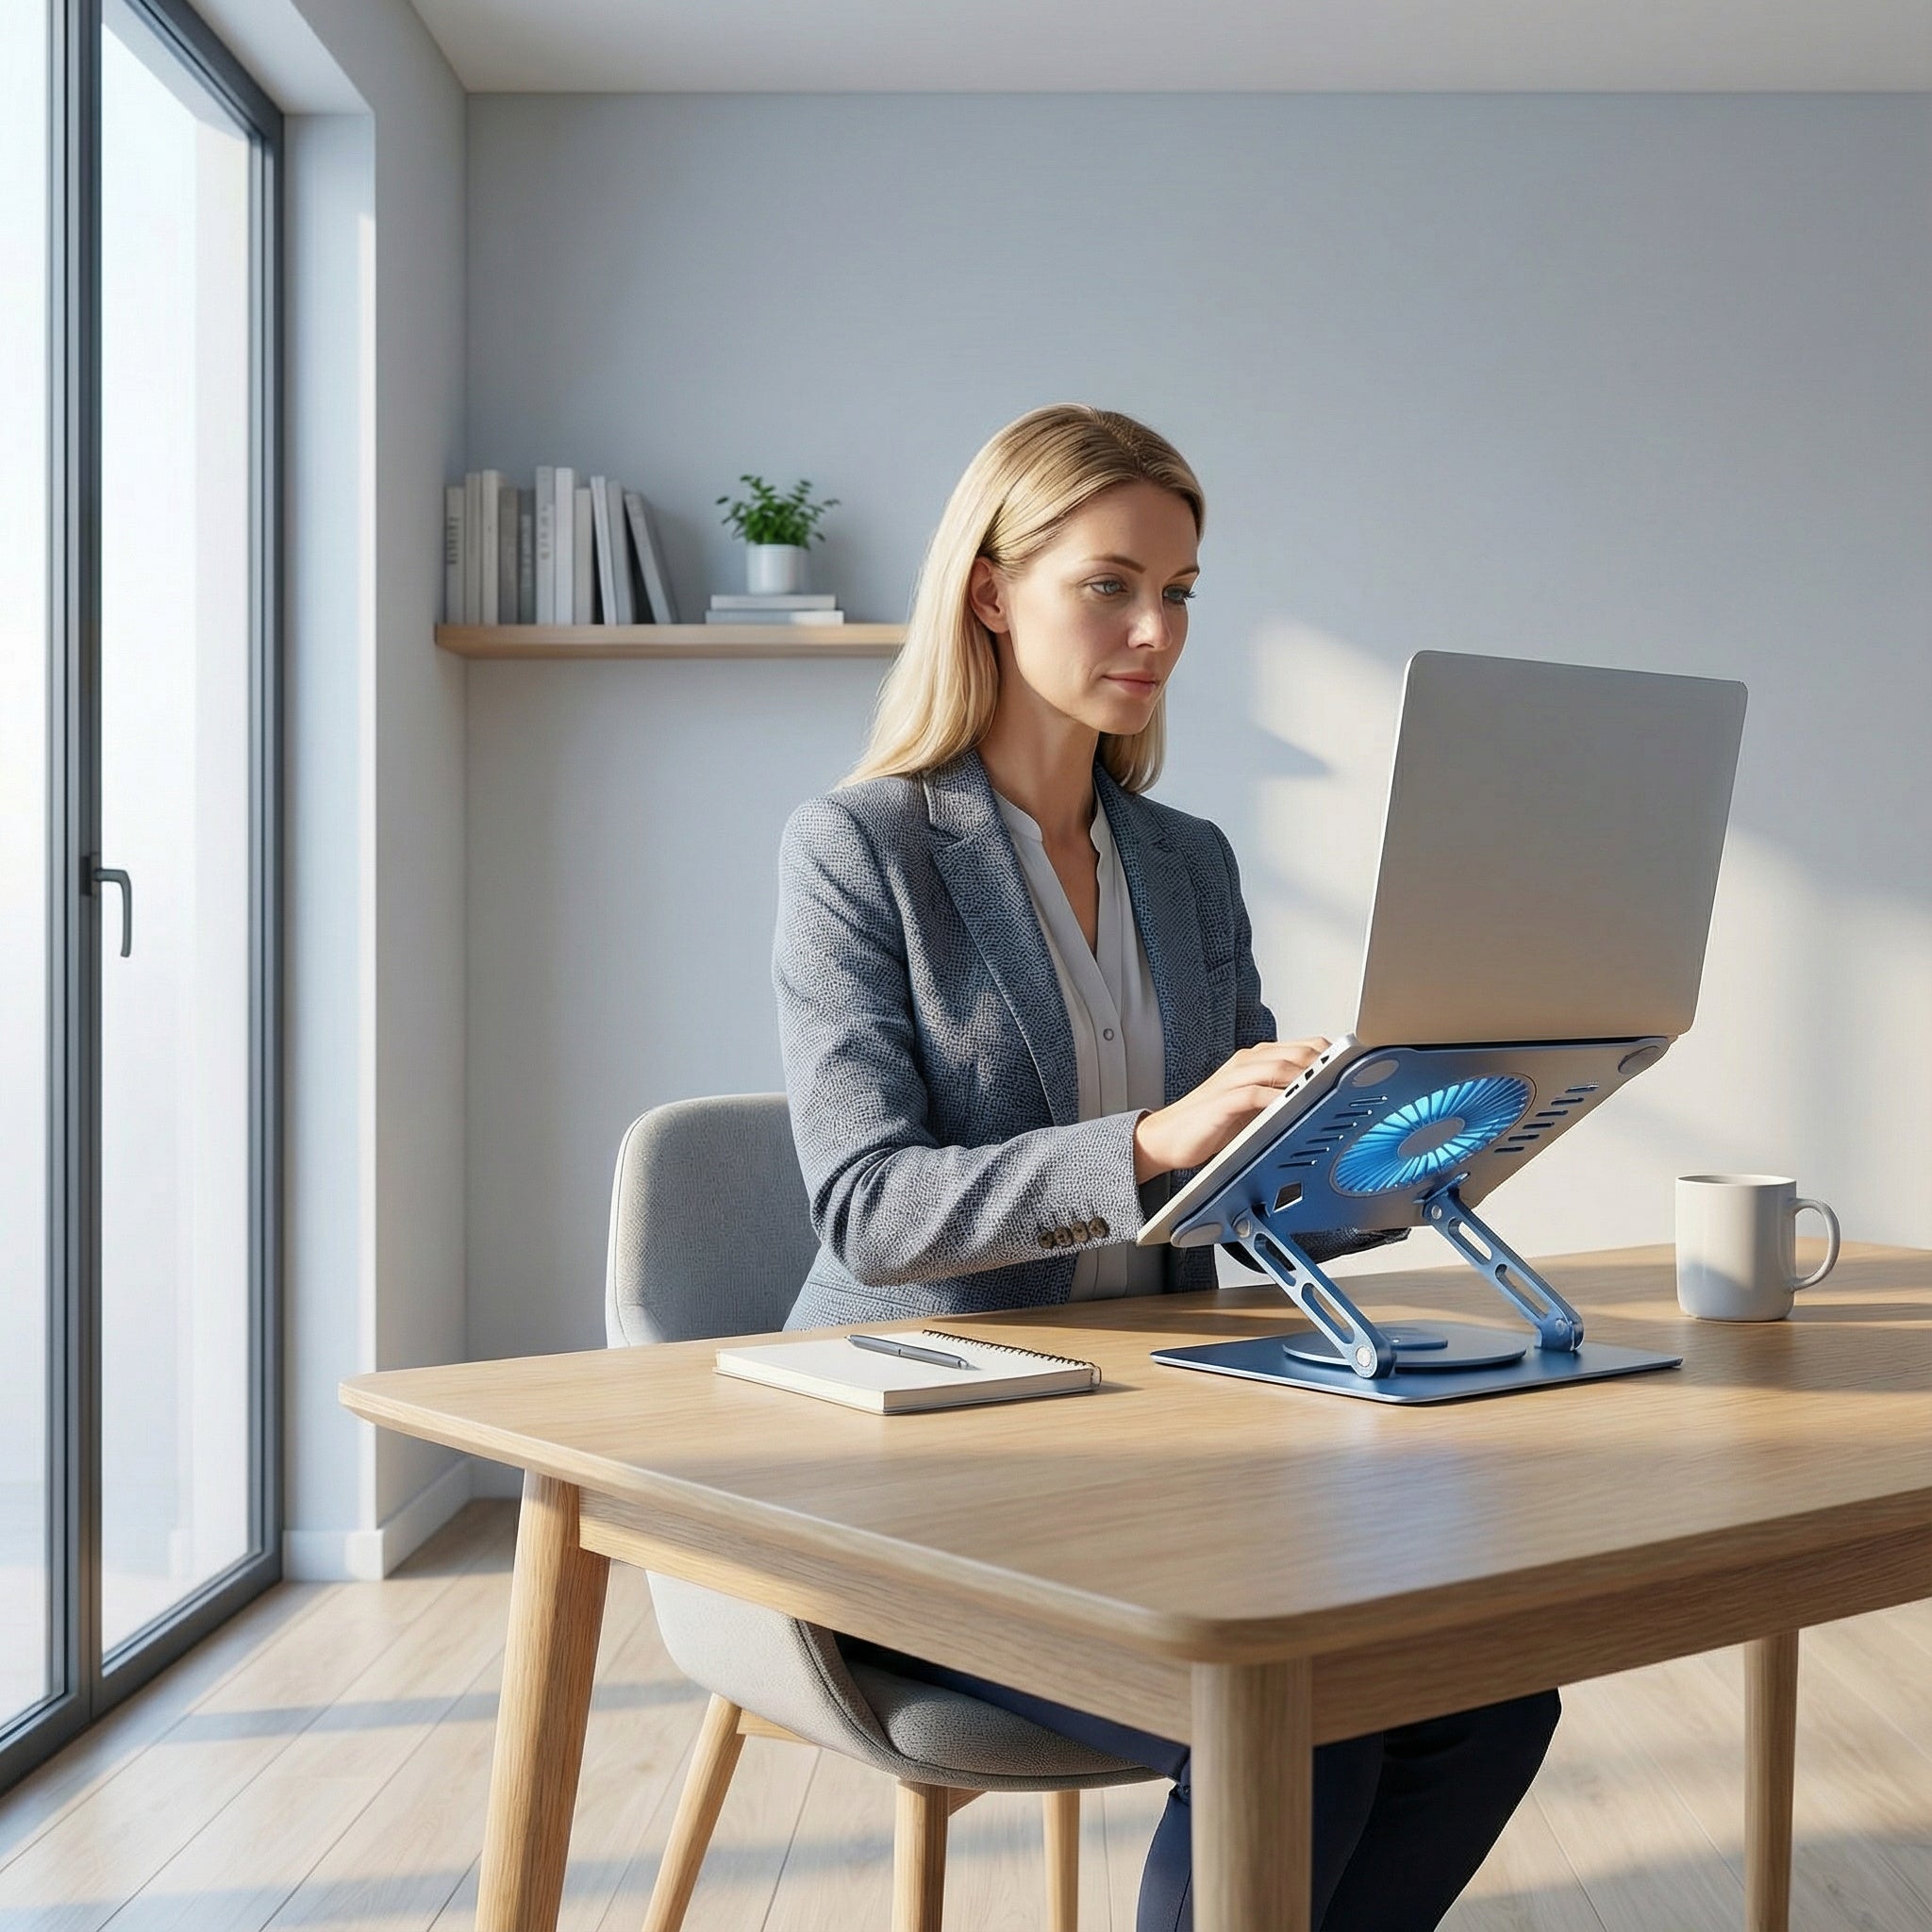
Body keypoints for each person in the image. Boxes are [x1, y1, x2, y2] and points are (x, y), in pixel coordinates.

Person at [773, 403, 1558, 1931]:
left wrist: (1395, 1125)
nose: (1156, 627)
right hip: (925, 1472)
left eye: (1183, 590)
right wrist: (1145, 1141)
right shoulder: (859, 847)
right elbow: (867, 1207)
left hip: (1177, 1442)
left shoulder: (1184, 857)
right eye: (1112, 584)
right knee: (1309, 1724)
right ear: (994, 591)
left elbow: (1252, 1202)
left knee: (1489, 1694)